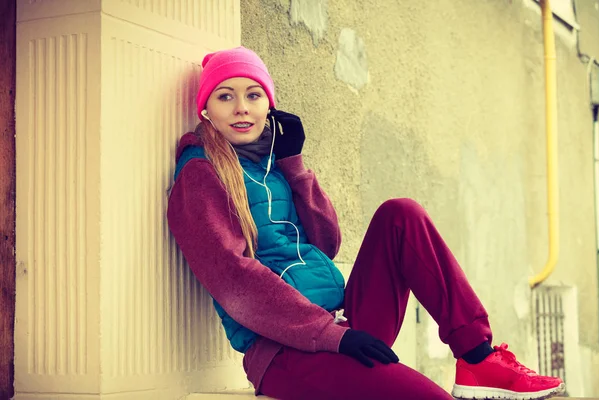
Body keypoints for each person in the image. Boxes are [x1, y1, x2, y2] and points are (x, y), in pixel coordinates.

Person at [167, 46, 565, 400]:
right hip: (284, 353)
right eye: (226, 97)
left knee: (400, 214)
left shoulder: (273, 165)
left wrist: (295, 165)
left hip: (342, 323)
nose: (242, 108)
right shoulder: (200, 172)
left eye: (253, 95)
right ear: (207, 110)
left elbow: (326, 242)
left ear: (268, 105)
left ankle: (478, 356)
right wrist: (330, 335)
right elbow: (234, 280)